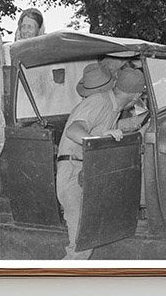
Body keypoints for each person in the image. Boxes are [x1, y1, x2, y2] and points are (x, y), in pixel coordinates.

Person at [55, 60, 147, 259]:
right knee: (81, 243)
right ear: (136, 96)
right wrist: (99, 141)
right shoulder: (99, 101)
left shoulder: (111, 106)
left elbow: (108, 127)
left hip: (86, 174)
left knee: (88, 238)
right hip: (73, 173)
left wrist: (138, 123)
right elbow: (73, 131)